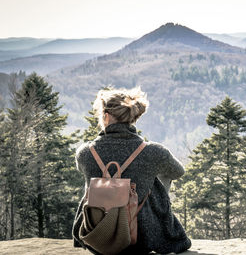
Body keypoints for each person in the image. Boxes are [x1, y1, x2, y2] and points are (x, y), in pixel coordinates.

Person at [72, 87, 191, 254]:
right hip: (142, 239)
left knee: (94, 184)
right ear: (132, 117)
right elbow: (178, 172)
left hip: (95, 238)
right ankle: (159, 226)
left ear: (106, 116)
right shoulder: (154, 152)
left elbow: (81, 170)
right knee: (160, 174)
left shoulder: (84, 153)